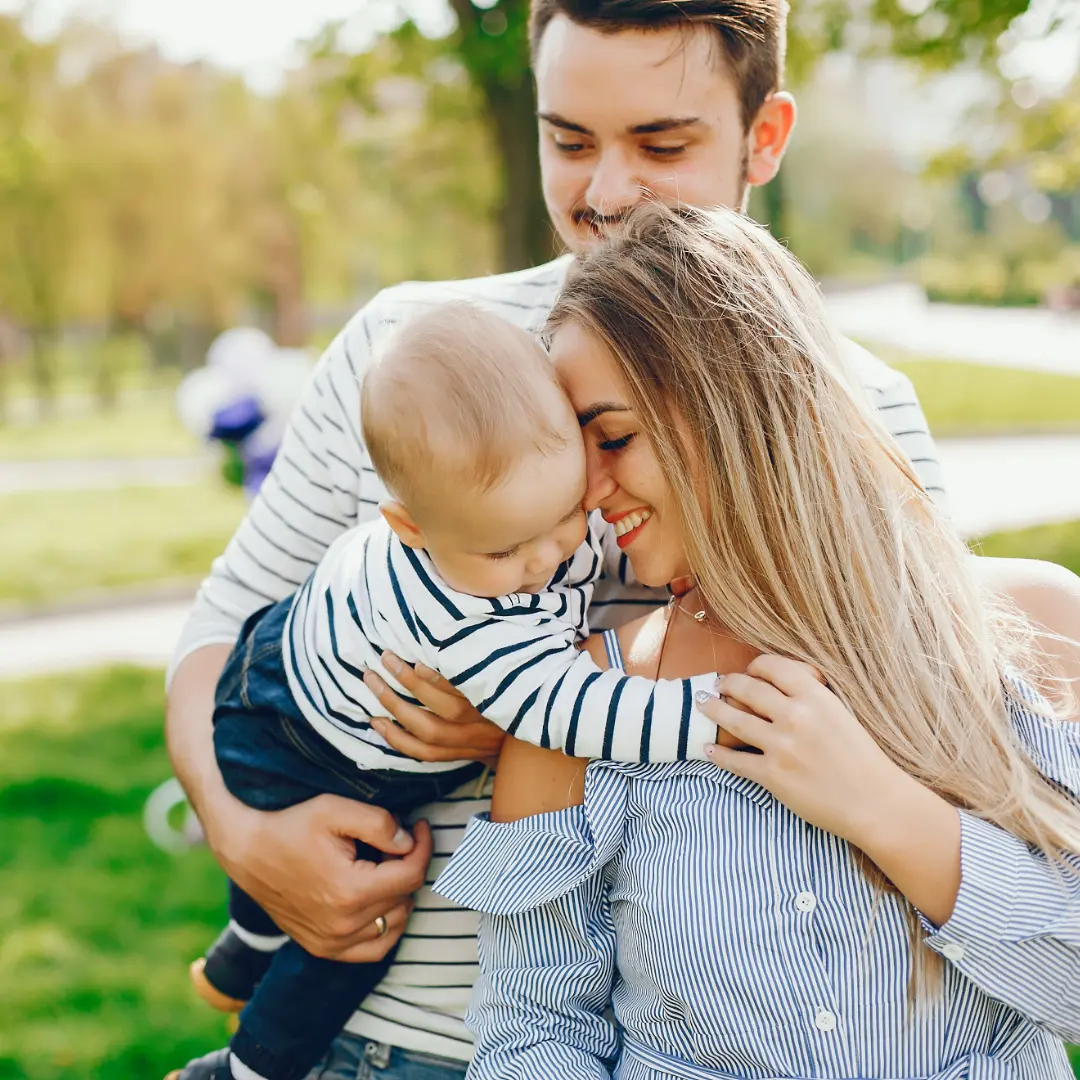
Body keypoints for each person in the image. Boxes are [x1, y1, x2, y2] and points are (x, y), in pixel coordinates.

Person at [164, 2, 1080, 1077]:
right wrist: (242, 832)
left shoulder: (863, 413)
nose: (604, 192)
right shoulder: (402, 362)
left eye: (661, 142)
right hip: (405, 1014)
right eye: (567, 140)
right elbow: (224, 636)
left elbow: (922, 704)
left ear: (764, 138)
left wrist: (518, 708)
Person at [435, 202, 1080, 1079]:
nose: (584, 487)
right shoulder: (582, 708)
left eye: (614, 436)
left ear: (743, 415)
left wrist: (886, 811)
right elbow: (531, 1034)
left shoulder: (1029, 631)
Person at [182, 304, 723, 1080]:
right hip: (295, 740)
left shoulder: (510, 512)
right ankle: (247, 1068)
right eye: (507, 549)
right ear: (411, 528)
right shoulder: (461, 609)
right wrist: (712, 716)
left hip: (306, 661)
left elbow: (569, 557)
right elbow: (575, 712)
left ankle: (237, 959)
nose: (546, 560)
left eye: (568, 514)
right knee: (357, 929)